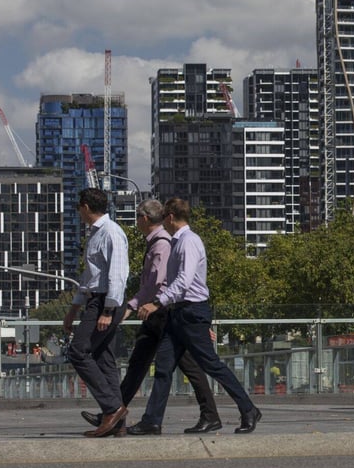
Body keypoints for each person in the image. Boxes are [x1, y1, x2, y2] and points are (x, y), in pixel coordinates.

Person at [80, 199, 221, 435]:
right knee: (138, 365)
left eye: (137, 217)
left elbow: (158, 284)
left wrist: (131, 306)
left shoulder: (162, 245)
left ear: (145, 219)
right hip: (156, 313)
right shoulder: (158, 243)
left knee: (189, 366)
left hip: (162, 313)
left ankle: (208, 414)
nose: (135, 222)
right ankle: (114, 412)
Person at [134, 197, 261, 434]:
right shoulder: (178, 242)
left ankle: (248, 409)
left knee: (211, 365)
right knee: (163, 367)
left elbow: (184, 280)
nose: (163, 223)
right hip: (179, 313)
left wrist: (156, 303)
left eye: (164, 218)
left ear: (170, 217)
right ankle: (151, 420)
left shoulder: (189, 242)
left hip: (191, 312)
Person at [63, 187, 130, 438]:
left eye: (79, 207)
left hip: (106, 302)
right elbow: (89, 276)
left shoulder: (111, 232)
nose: (79, 212)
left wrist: (108, 310)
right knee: (102, 358)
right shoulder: (94, 234)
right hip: (96, 300)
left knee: (78, 352)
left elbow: (118, 274)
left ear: (86, 207)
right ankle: (117, 422)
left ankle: (112, 408)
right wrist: (73, 309)